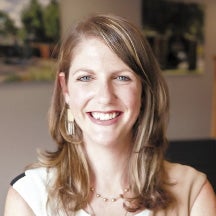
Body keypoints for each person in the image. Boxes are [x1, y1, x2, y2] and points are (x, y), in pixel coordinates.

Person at [4, 14, 216, 216]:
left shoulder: (193, 192)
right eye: (86, 77)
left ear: (144, 90)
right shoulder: (29, 196)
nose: (105, 97)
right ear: (65, 89)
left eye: (122, 78)